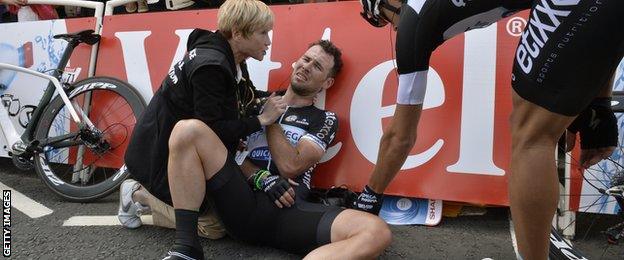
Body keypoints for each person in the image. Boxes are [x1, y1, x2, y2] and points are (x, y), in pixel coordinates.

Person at [120, 0, 391, 258]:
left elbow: (291, 166)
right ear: (295, 62)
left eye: (317, 66)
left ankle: (143, 199)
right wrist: (258, 175)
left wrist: (270, 118)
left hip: (287, 208)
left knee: (375, 231)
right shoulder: (253, 100)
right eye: (306, 60)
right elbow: (222, 145)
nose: (307, 67)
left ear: (327, 83)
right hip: (238, 198)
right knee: (190, 130)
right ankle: (183, 247)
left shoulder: (325, 118)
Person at [356, 0, 623, 259]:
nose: (391, 28)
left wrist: (370, 196)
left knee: (531, 136)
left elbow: (400, 137)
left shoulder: (414, 22)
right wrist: (598, 105)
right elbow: (598, 31)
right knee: (541, 123)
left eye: (381, 17)